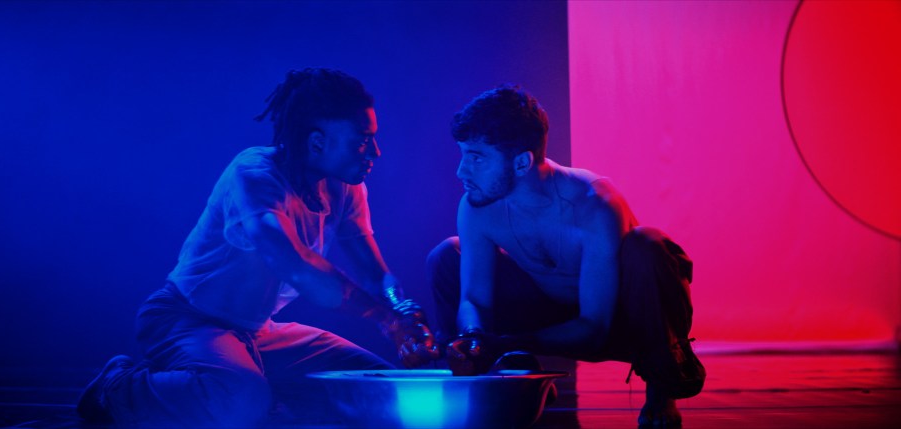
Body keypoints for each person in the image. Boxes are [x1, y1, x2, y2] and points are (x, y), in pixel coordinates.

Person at [77, 68, 438, 428]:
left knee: (384, 386)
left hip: (260, 333)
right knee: (238, 402)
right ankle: (117, 387)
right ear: (316, 143)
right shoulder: (254, 174)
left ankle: (248, 387)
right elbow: (297, 266)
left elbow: (376, 272)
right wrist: (382, 318)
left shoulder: (346, 187)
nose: (374, 151)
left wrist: (401, 311)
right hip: (186, 318)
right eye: (362, 140)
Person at [427, 85, 704, 428]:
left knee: (648, 245)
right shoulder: (478, 205)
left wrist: (508, 341)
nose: (462, 171)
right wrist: (474, 338)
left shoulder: (594, 204)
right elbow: (474, 298)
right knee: (447, 254)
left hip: (613, 322)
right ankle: (514, 375)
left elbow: (595, 327)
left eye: (477, 158)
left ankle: (662, 389)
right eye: (463, 155)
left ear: (522, 162)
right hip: (543, 313)